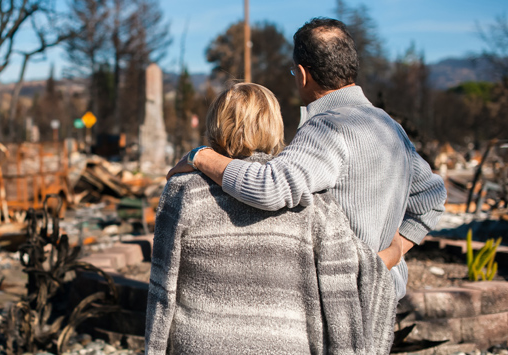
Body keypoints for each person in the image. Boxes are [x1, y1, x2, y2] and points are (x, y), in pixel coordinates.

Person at [167, 18, 447, 300]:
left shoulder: (328, 126)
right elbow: (432, 197)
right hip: (385, 294)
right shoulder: (388, 126)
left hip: (344, 301)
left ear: (302, 74)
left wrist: (199, 156)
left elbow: (269, 187)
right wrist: (396, 249)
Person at [146, 82, 396, 355]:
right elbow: (341, 292)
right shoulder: (312, 202)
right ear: (274, 125)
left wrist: (155, 349)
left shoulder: (182, 192)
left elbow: (162, 289)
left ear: (214, 125)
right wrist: (397, 249)